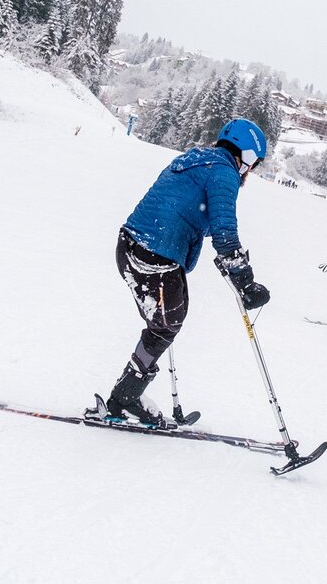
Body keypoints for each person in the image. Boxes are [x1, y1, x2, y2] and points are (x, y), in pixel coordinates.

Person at [100, 118, 271, 426]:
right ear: (247, 155)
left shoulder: (194, 159)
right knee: (166, 325)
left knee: (165, 322)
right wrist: (245, 281)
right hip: (154, 256)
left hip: (133, 247)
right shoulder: (224, 172)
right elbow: (224, 230)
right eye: (254, 163)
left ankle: (126, 396)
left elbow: (183, 208)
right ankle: (124, 400)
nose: (250, 171)